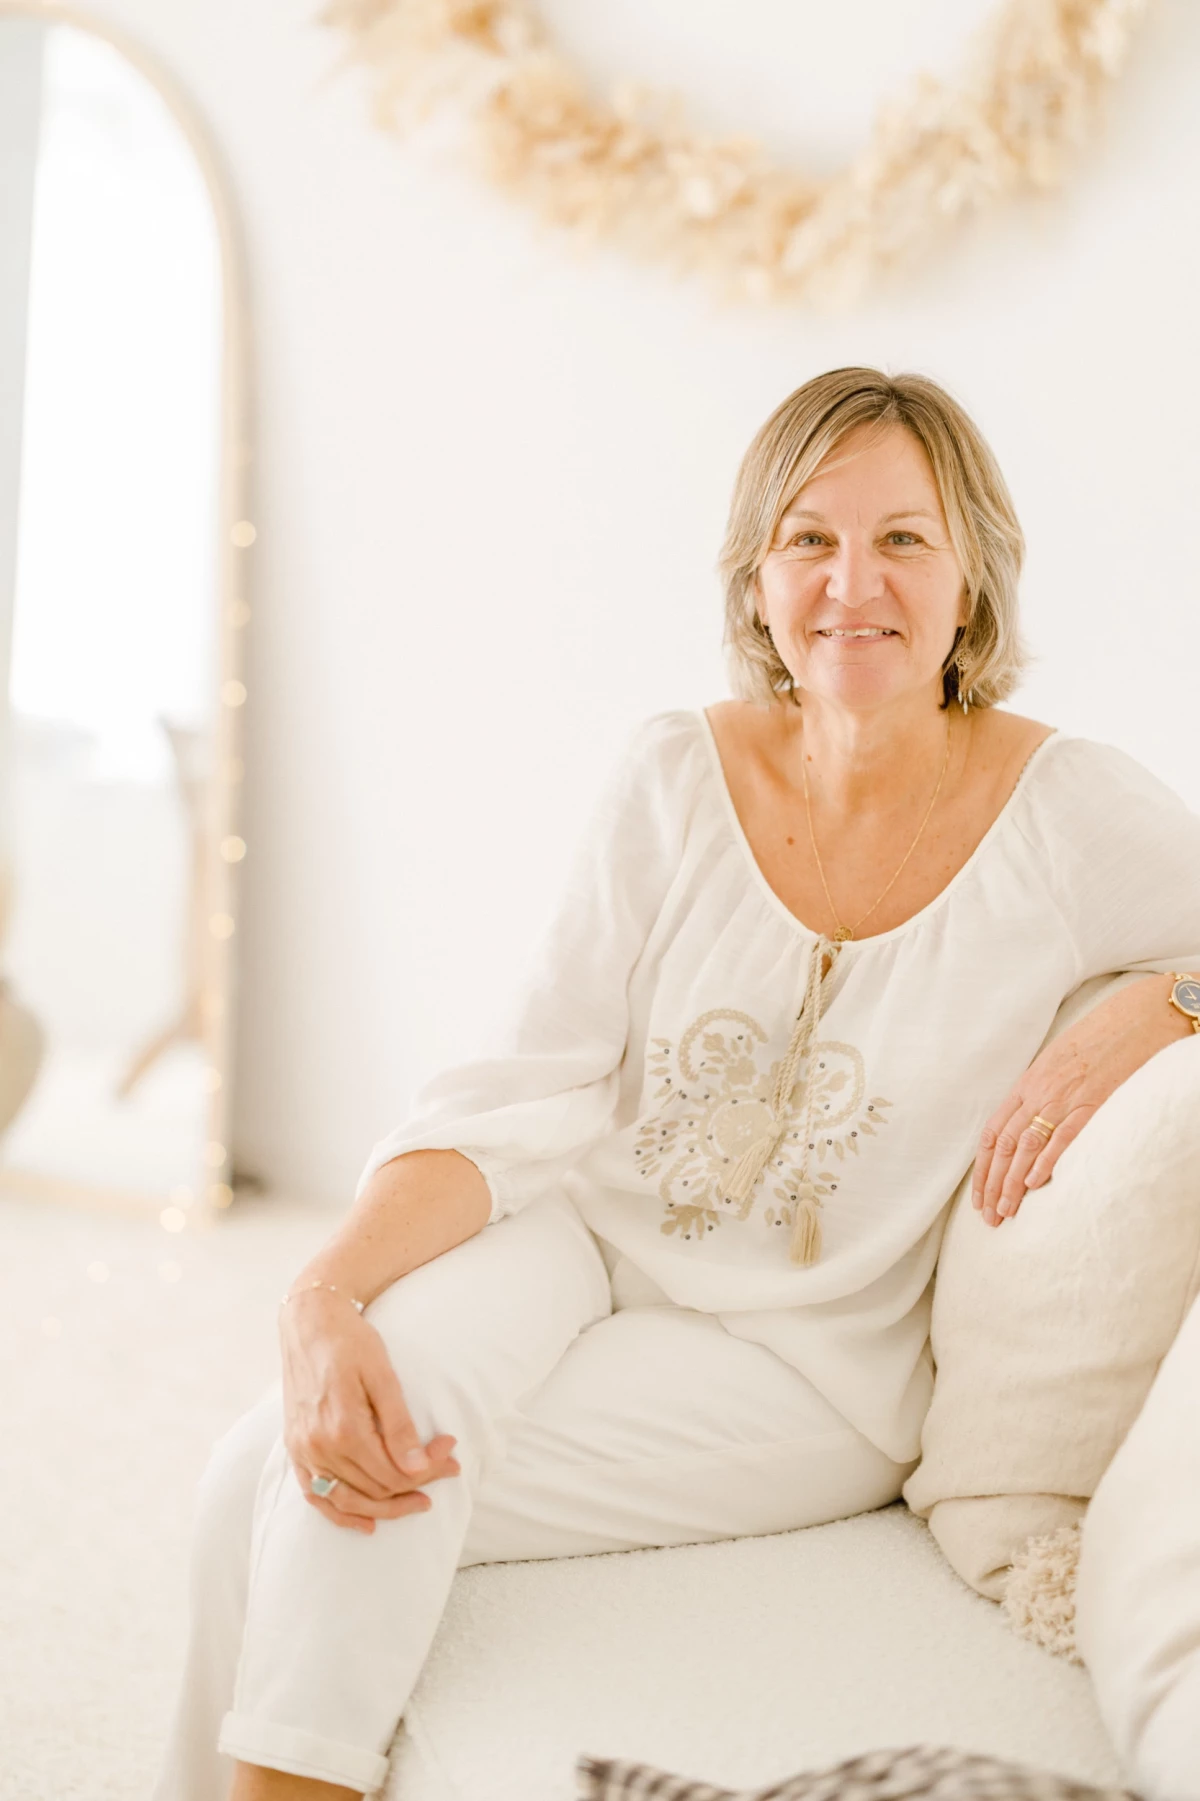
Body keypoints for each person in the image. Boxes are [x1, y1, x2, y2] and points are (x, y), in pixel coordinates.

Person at [152, 367, 1200, 1801]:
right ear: (756, 576)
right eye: (809, 539)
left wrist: (1156, 1003)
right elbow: (520, 1094)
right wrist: (318, 1294)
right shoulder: (673, 772)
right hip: (576, 1240)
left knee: (280, 1488)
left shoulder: (1069, 810)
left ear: (972, 580)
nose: (852, 583)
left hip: (811, 1363)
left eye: (904, 539)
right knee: (317, 1436)